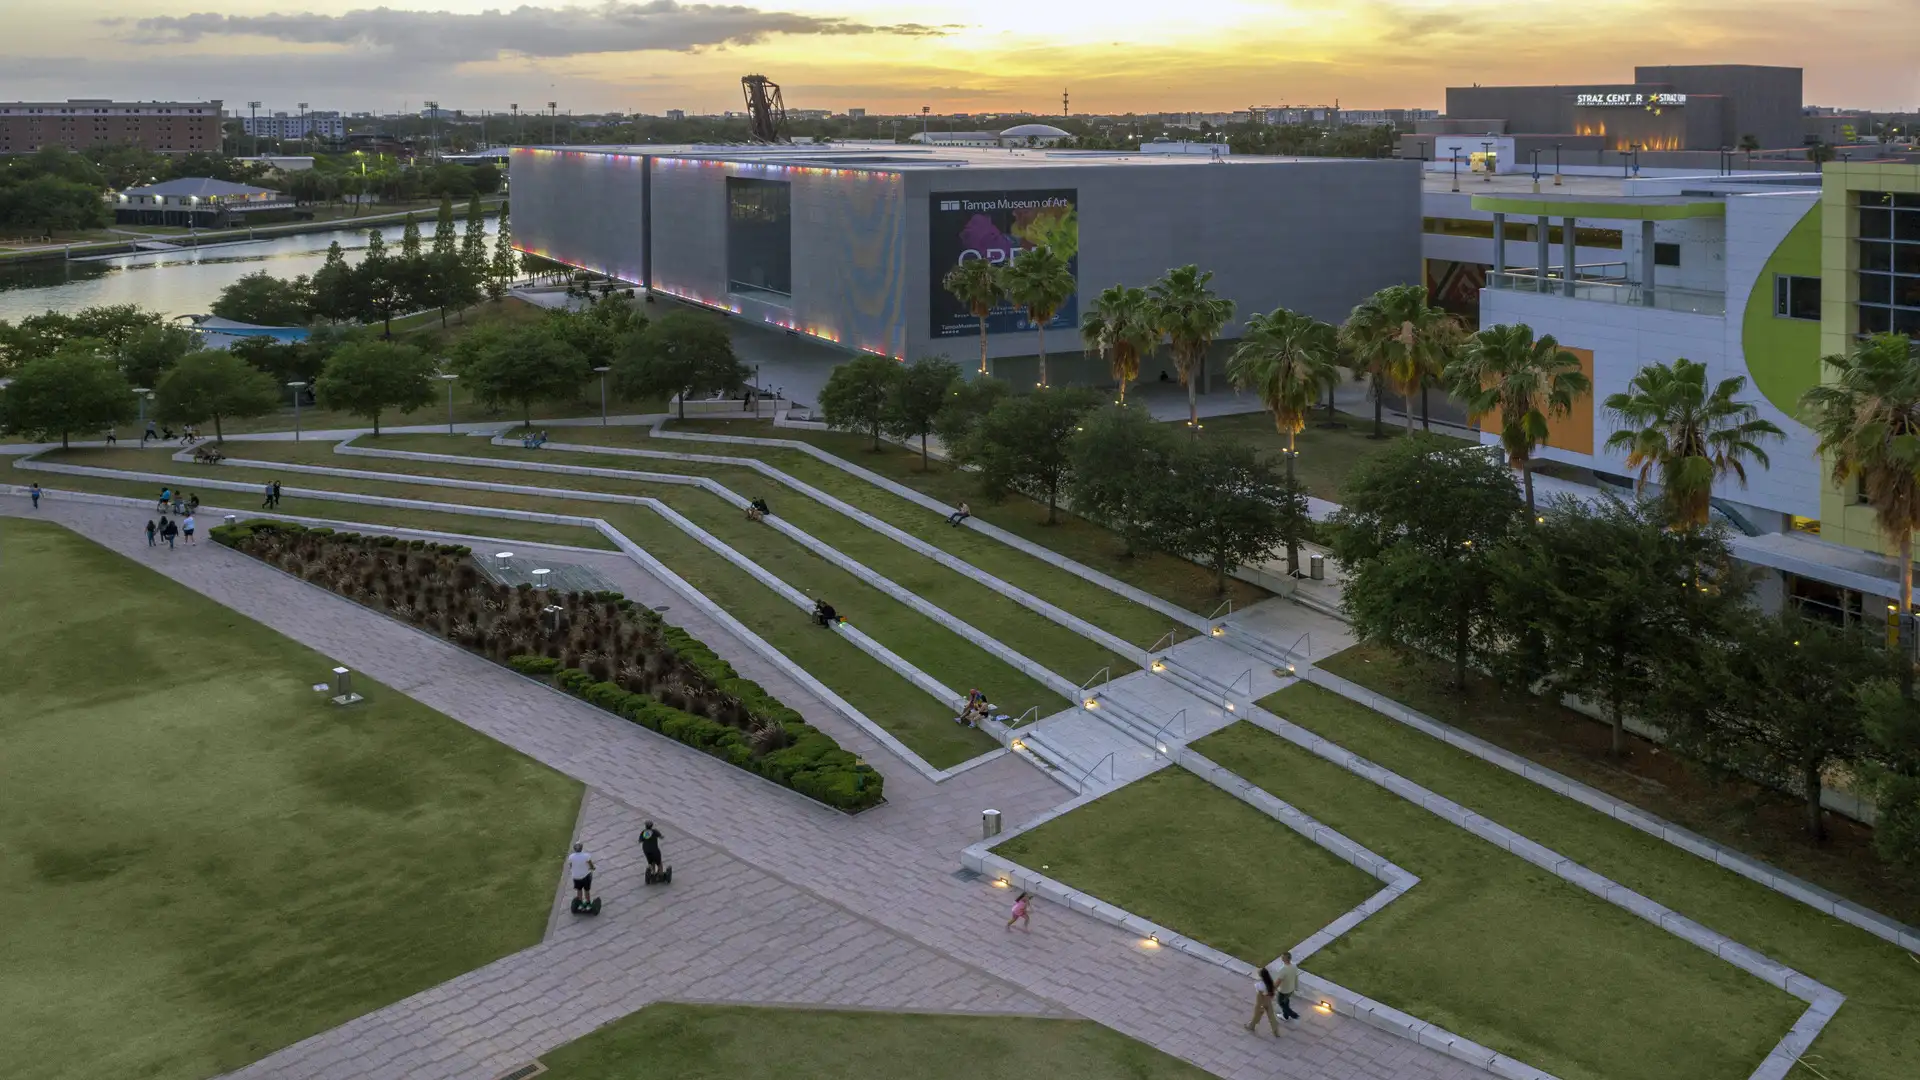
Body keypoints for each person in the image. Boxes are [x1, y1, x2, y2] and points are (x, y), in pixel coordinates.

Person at [1246, 967, 1282, 1035]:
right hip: (1268, 1001)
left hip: (1261, 1001)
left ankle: (1251, 1026)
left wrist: (1259, 1005)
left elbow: (1259, 996)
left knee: (1257, 1014)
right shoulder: (1270, 982)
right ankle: (1275, 1031)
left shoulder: (1259, 985)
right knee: (1271, 1016)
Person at [565, 842, 596, 907]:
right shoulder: (586, 856)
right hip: (585, 876)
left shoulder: (571, 857)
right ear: (582, 848)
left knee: (579, 890)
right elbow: (591, 865)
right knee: (586, 890)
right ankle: (588, 903)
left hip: (576, 877)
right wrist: (592, 868)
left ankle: (580, 903)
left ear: (574, 849)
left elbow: (571, 865)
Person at [1274, 952, 1301, 1021]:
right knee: (1286, 1001)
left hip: (1283, 990)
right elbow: (1296, 977)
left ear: (1284, 959)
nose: (1281, 958)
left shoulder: (1283, 969)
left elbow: (1278, 982)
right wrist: (1296, 987)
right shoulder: (1294, 966)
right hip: (1291, 989)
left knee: (1281, 1002)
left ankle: (1293, 1014)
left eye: (1282, 957)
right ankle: (1285, 1016)